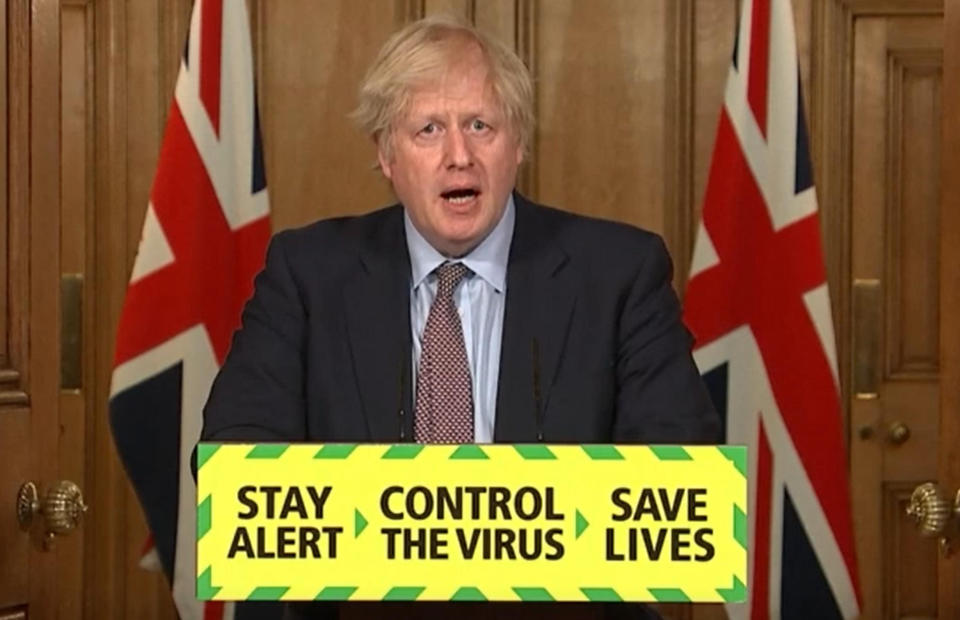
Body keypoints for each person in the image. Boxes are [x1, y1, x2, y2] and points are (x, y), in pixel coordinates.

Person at [202, 15, 719, 620]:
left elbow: (682, 486)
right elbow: (237, 470)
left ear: (519, 143)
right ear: (386, 155)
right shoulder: (309, 274)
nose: (459, 156)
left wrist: (434, 523)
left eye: (481, 125)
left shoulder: (619, 274)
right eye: (428, 129)